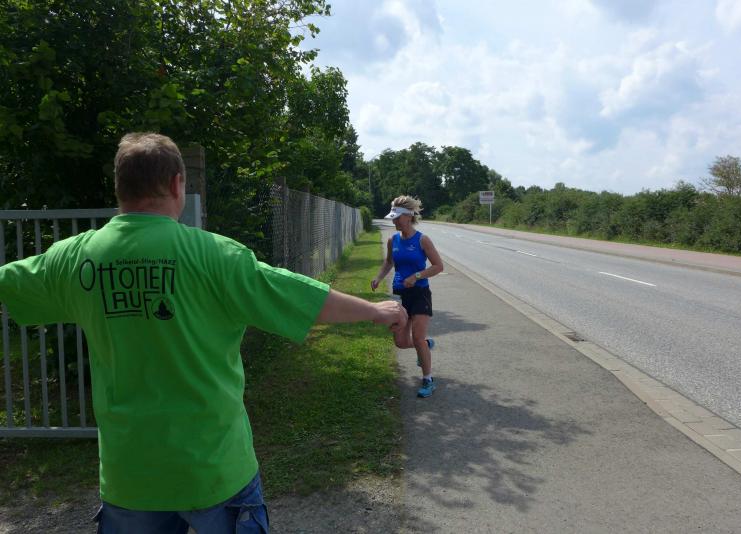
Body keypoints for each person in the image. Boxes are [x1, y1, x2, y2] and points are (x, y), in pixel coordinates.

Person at [0, 132, 407, 534]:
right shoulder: (216, 255)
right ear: (178, 183)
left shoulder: (74, 258)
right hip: (216, 469)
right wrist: (375, 310)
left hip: (131, 476)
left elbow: (7, 282)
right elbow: (297, 297)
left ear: (119, 186)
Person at [371, 196, 443, 398]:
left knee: (417, 337)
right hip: (401, 296)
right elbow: (389, 262)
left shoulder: (422, 240)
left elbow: (438, 266)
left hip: (420, 294)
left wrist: (416, 276)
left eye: (397, 218)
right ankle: (426, 345)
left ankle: (428, 380)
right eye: (393, 217)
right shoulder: (392, 240)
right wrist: (378, 278)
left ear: (409, 216)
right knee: (401, 342)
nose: (394, 221)